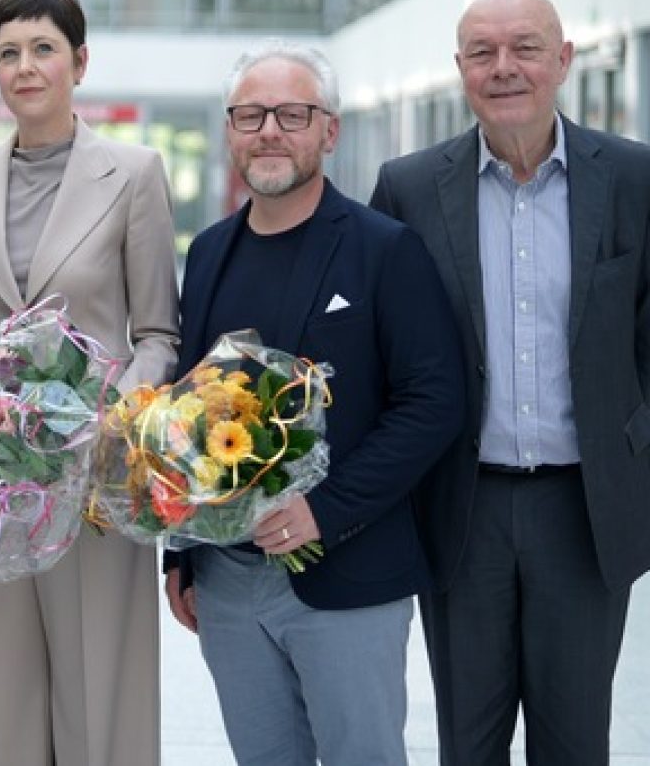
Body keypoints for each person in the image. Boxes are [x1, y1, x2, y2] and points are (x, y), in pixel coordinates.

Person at [369, 0, 650, 765]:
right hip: (460, 508)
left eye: (525, 48)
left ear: (564, 59)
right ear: (460, 69)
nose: (503, 67)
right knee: (466, 741)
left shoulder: (637, 178)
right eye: (483, 52)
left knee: (575, 741)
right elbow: (389, 344)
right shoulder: (409, 187)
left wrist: (615, 431)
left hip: (584, 510)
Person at [162, 40, 466, 765]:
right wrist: (179, 552)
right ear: (230, 131)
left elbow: (434, 402)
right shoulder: (207, 252)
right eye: (251, 114)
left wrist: (321, 511)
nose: (269, 130)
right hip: (228, 580)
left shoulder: (384, 249)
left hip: (348, 575)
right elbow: (187, 405)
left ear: (329, 131)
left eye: (292, 114)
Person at [0, 0, 179, 766]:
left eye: (42, 49)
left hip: (98, 483)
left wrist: (108, 425)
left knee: (99, 697)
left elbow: (157, 330)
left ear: (79, 61)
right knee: (1, 701)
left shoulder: (134, 173)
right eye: (8, 52)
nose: (25, 67)